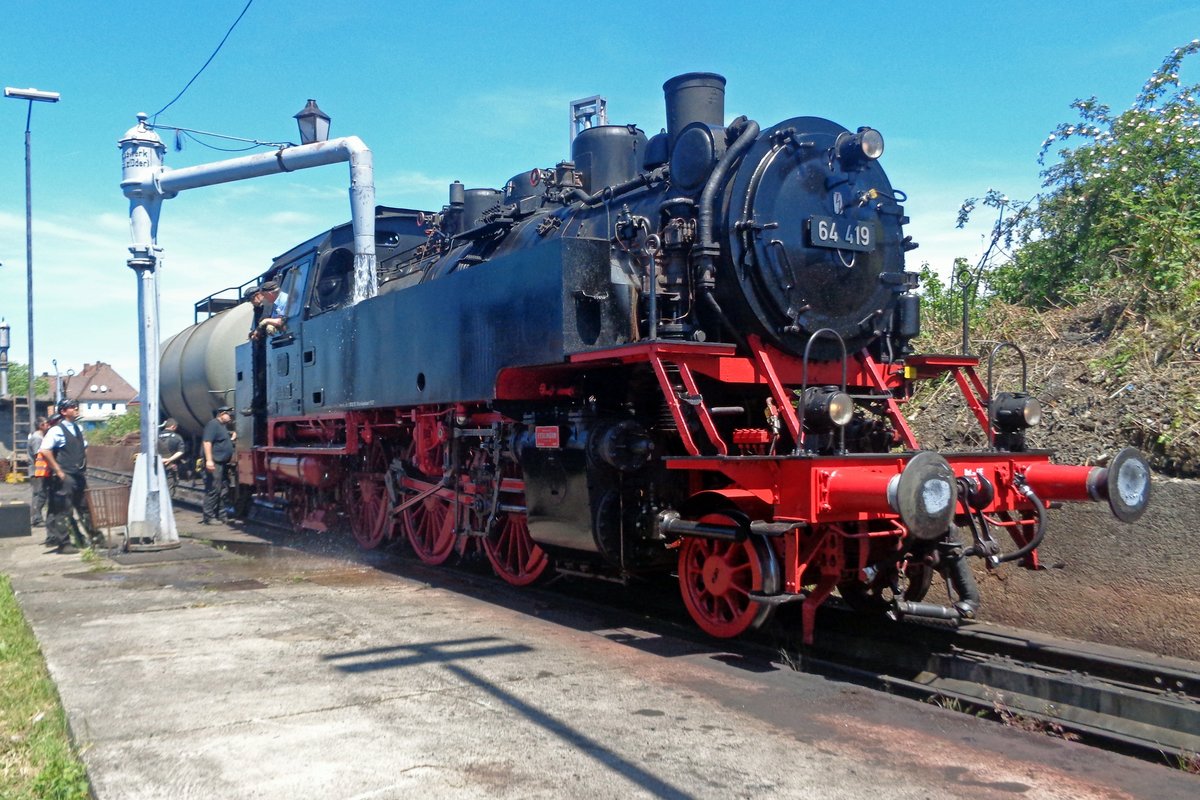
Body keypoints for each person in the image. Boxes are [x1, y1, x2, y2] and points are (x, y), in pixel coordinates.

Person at [40, 400, 95, 552]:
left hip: (78, 474)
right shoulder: (56, 430)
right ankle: (64, 544)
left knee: (85, 507)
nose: (76, 408)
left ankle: (95, 538)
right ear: (64, 411)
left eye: (76, 406)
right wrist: (58, 470)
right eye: (72, 407)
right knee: (63, 510)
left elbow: (83, 448)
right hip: (65, 476)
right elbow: (45, 450)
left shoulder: (78, 428)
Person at [202, 406, 236, 524]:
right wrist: (209, 460)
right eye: (229, 415)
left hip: (222, 463)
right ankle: (209, 517)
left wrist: (231, 440)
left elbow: (221, 442)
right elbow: (207, 442)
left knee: (223, 489)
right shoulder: (213, 425)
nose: (231, 417)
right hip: (215, 462)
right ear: (222, 414)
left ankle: (222, 515)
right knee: (213, 489)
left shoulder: (222, 427)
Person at [27, 416, 51, 526]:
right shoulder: (37, 438)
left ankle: (36, 517)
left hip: (39, 471)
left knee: (40, 494)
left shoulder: (39, 437)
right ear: (41, 426)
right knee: (38, 494)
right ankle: (36, 519)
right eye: (46, 423)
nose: (48, 425)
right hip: (37, 471)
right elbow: (39, 455)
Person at [157, 418, 186, 498]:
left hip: (156, 465)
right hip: (170, 466)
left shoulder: (156, 436)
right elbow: (180, 451)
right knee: (169, 487)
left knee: (157, 485)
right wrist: (169, 459)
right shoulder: (176, 437)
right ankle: (166, 507)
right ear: (173, 426)